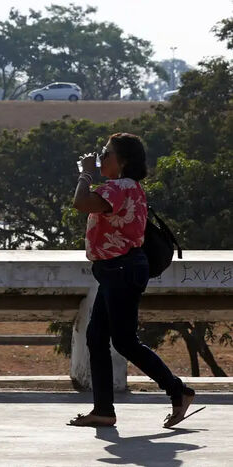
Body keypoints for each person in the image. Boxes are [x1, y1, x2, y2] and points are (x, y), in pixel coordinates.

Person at [68, 133, 195, 428]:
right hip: (117, 270)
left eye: (107, 153)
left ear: (122, 161)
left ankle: (178, 390)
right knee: (97, 338)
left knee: (124, 341)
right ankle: (103, 410)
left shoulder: (118, 187)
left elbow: (81, 203)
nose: (102, 157)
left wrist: (85, 173)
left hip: (121, 270)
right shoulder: (129, 187)